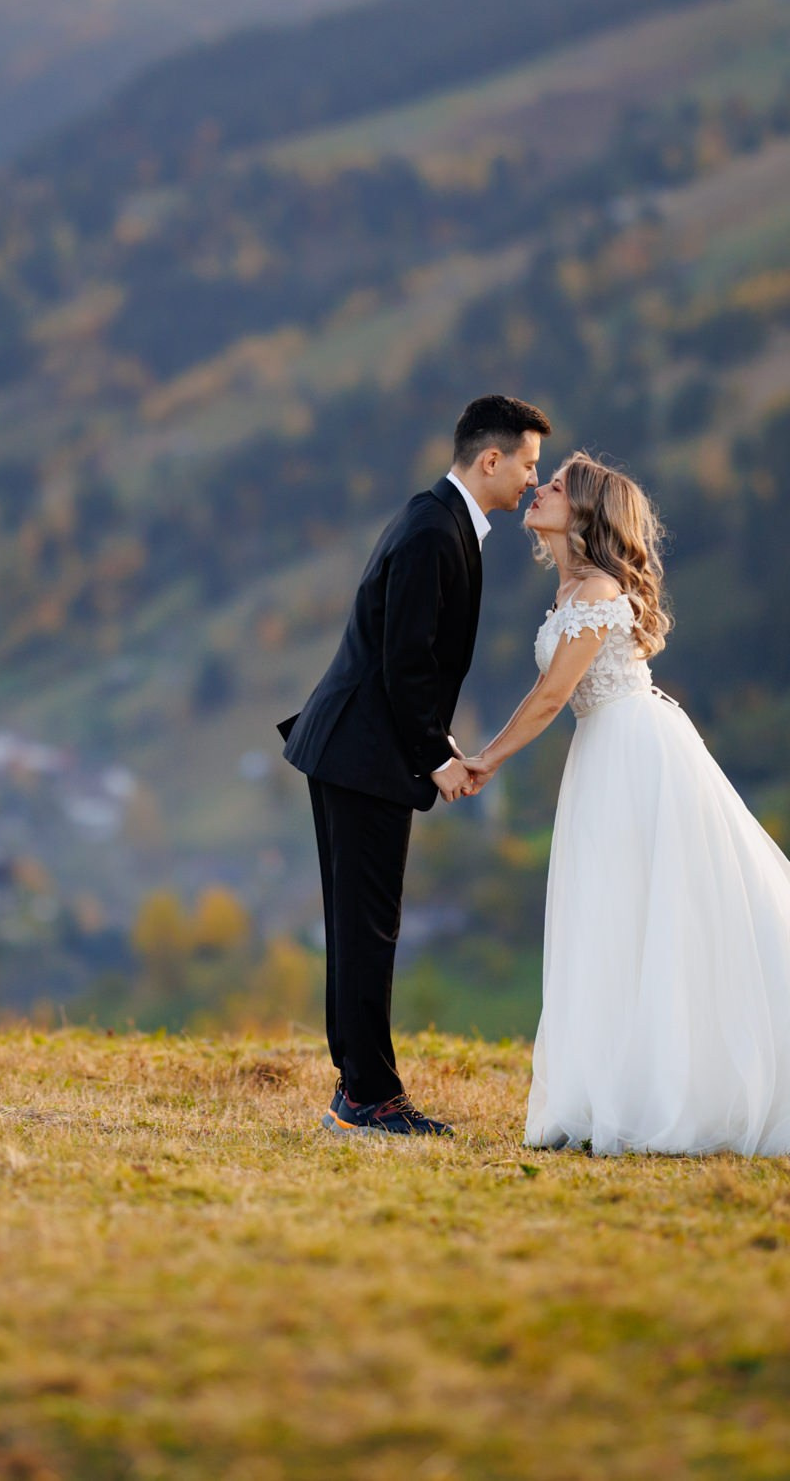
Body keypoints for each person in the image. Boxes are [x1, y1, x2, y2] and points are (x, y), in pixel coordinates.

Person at [461, 452, 790, 1156]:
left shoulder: (595, 593)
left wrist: (487, 757)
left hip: (635, 758)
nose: (537, 489)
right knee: (615, 919)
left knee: (662, 916)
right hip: (604, 755)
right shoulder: (571, 591)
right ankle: (616, 1090)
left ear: (584, 512)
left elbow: (552, 695)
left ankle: (696, 1091)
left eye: (554, 486)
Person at [280, 394, 549, 1137]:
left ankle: (356, 1088)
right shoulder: (436, 529)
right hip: (362, 751)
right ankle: (369, 1096)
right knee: (369, 927)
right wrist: (437, 758)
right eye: (528, 464)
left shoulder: (438, 518)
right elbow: (403, 665)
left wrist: (442, 746)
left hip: (354, 745)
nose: (534, 478)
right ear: (489, 459)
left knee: (358, 925)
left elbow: (414, 665)